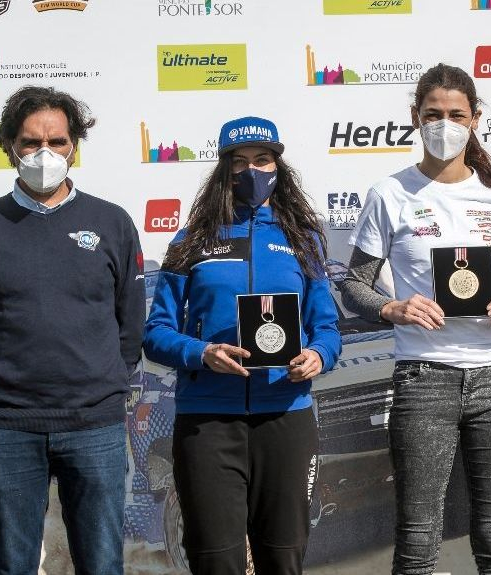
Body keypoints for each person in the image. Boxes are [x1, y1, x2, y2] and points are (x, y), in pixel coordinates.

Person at [339, 63, 491, 575]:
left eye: (455, 114)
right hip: (424, 376)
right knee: (418, 539)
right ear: (414, 118)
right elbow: (354, 284)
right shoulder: (390, 194)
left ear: (475, 120)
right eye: (432, 114)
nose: (444, 125)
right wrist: (391, 306)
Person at [0, 86, 144, 575]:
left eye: (56, 141)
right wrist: (3, 394)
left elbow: (130, 324)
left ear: (74, 144)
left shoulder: (111, 223)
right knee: (11, 566)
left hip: (94, 427)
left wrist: (96, 387)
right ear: (10, 146)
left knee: (101, 565)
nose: (44, 153)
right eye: (31, 142)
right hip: (9, 428)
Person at [143, 116, 341, 574]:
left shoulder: (302, 240)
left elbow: (326, 329)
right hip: (208, 421)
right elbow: (155, 333)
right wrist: (201, 353)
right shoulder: (189, 240)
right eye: (239, 162)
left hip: (285, 418)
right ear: (224, 171)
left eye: (262, 159)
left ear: (278, 166)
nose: (252, 170)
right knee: (215, 561)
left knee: (283, 557)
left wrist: (317, 356)